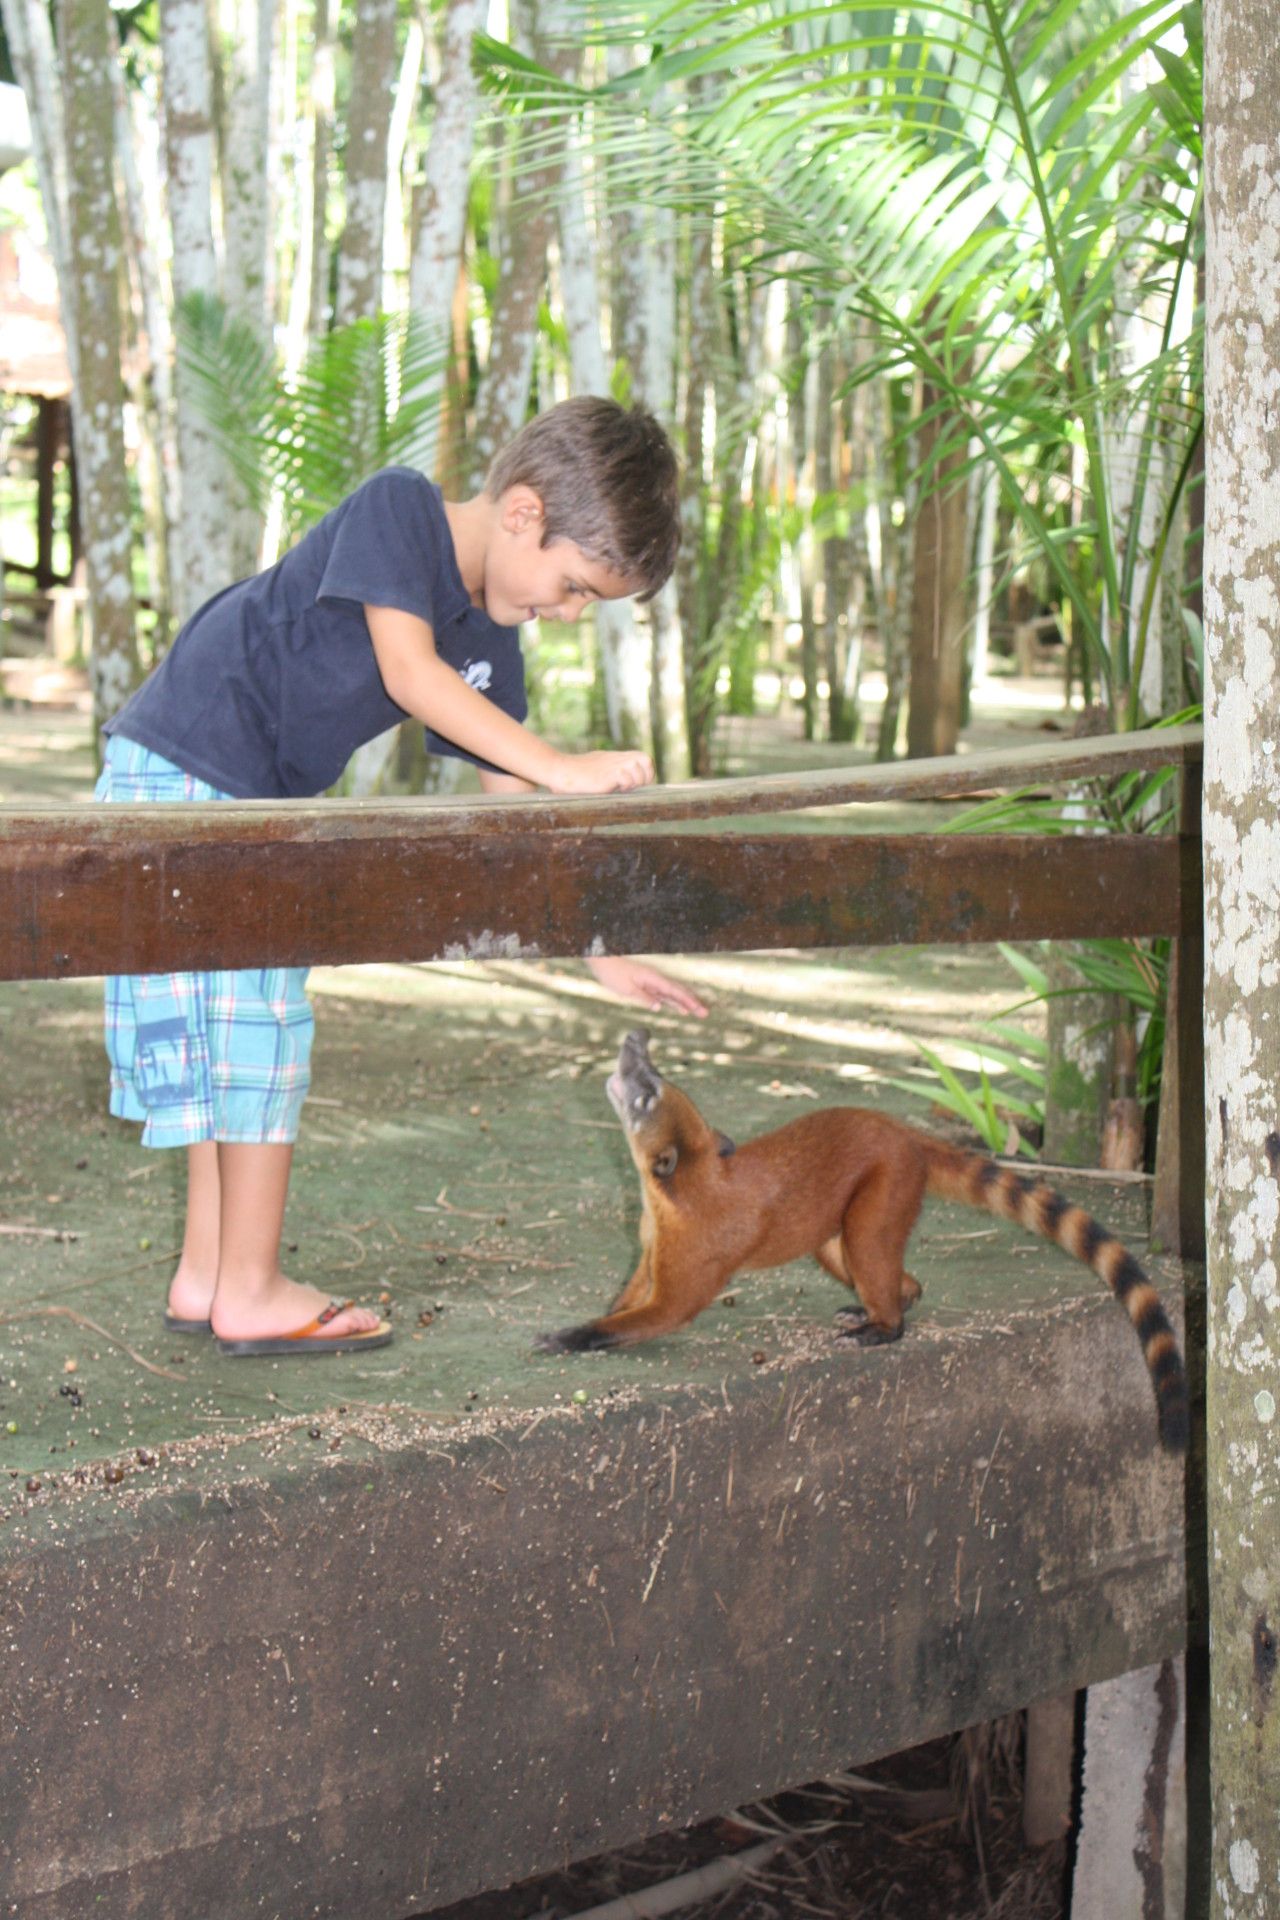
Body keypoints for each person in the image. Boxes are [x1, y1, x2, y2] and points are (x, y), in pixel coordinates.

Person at [96, 398, 707, 1357]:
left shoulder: (486, 633)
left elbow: (515, 817)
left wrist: (602, 950)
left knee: (232, 1037)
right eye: (576, 585)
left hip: (231, 793)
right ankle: (251, 1290)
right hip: (191, 767)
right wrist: (562, 761)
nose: (571, 612)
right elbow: (414, 675)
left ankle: (210, 1275)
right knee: (258, 1033)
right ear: (522, 513)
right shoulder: (401, 511)